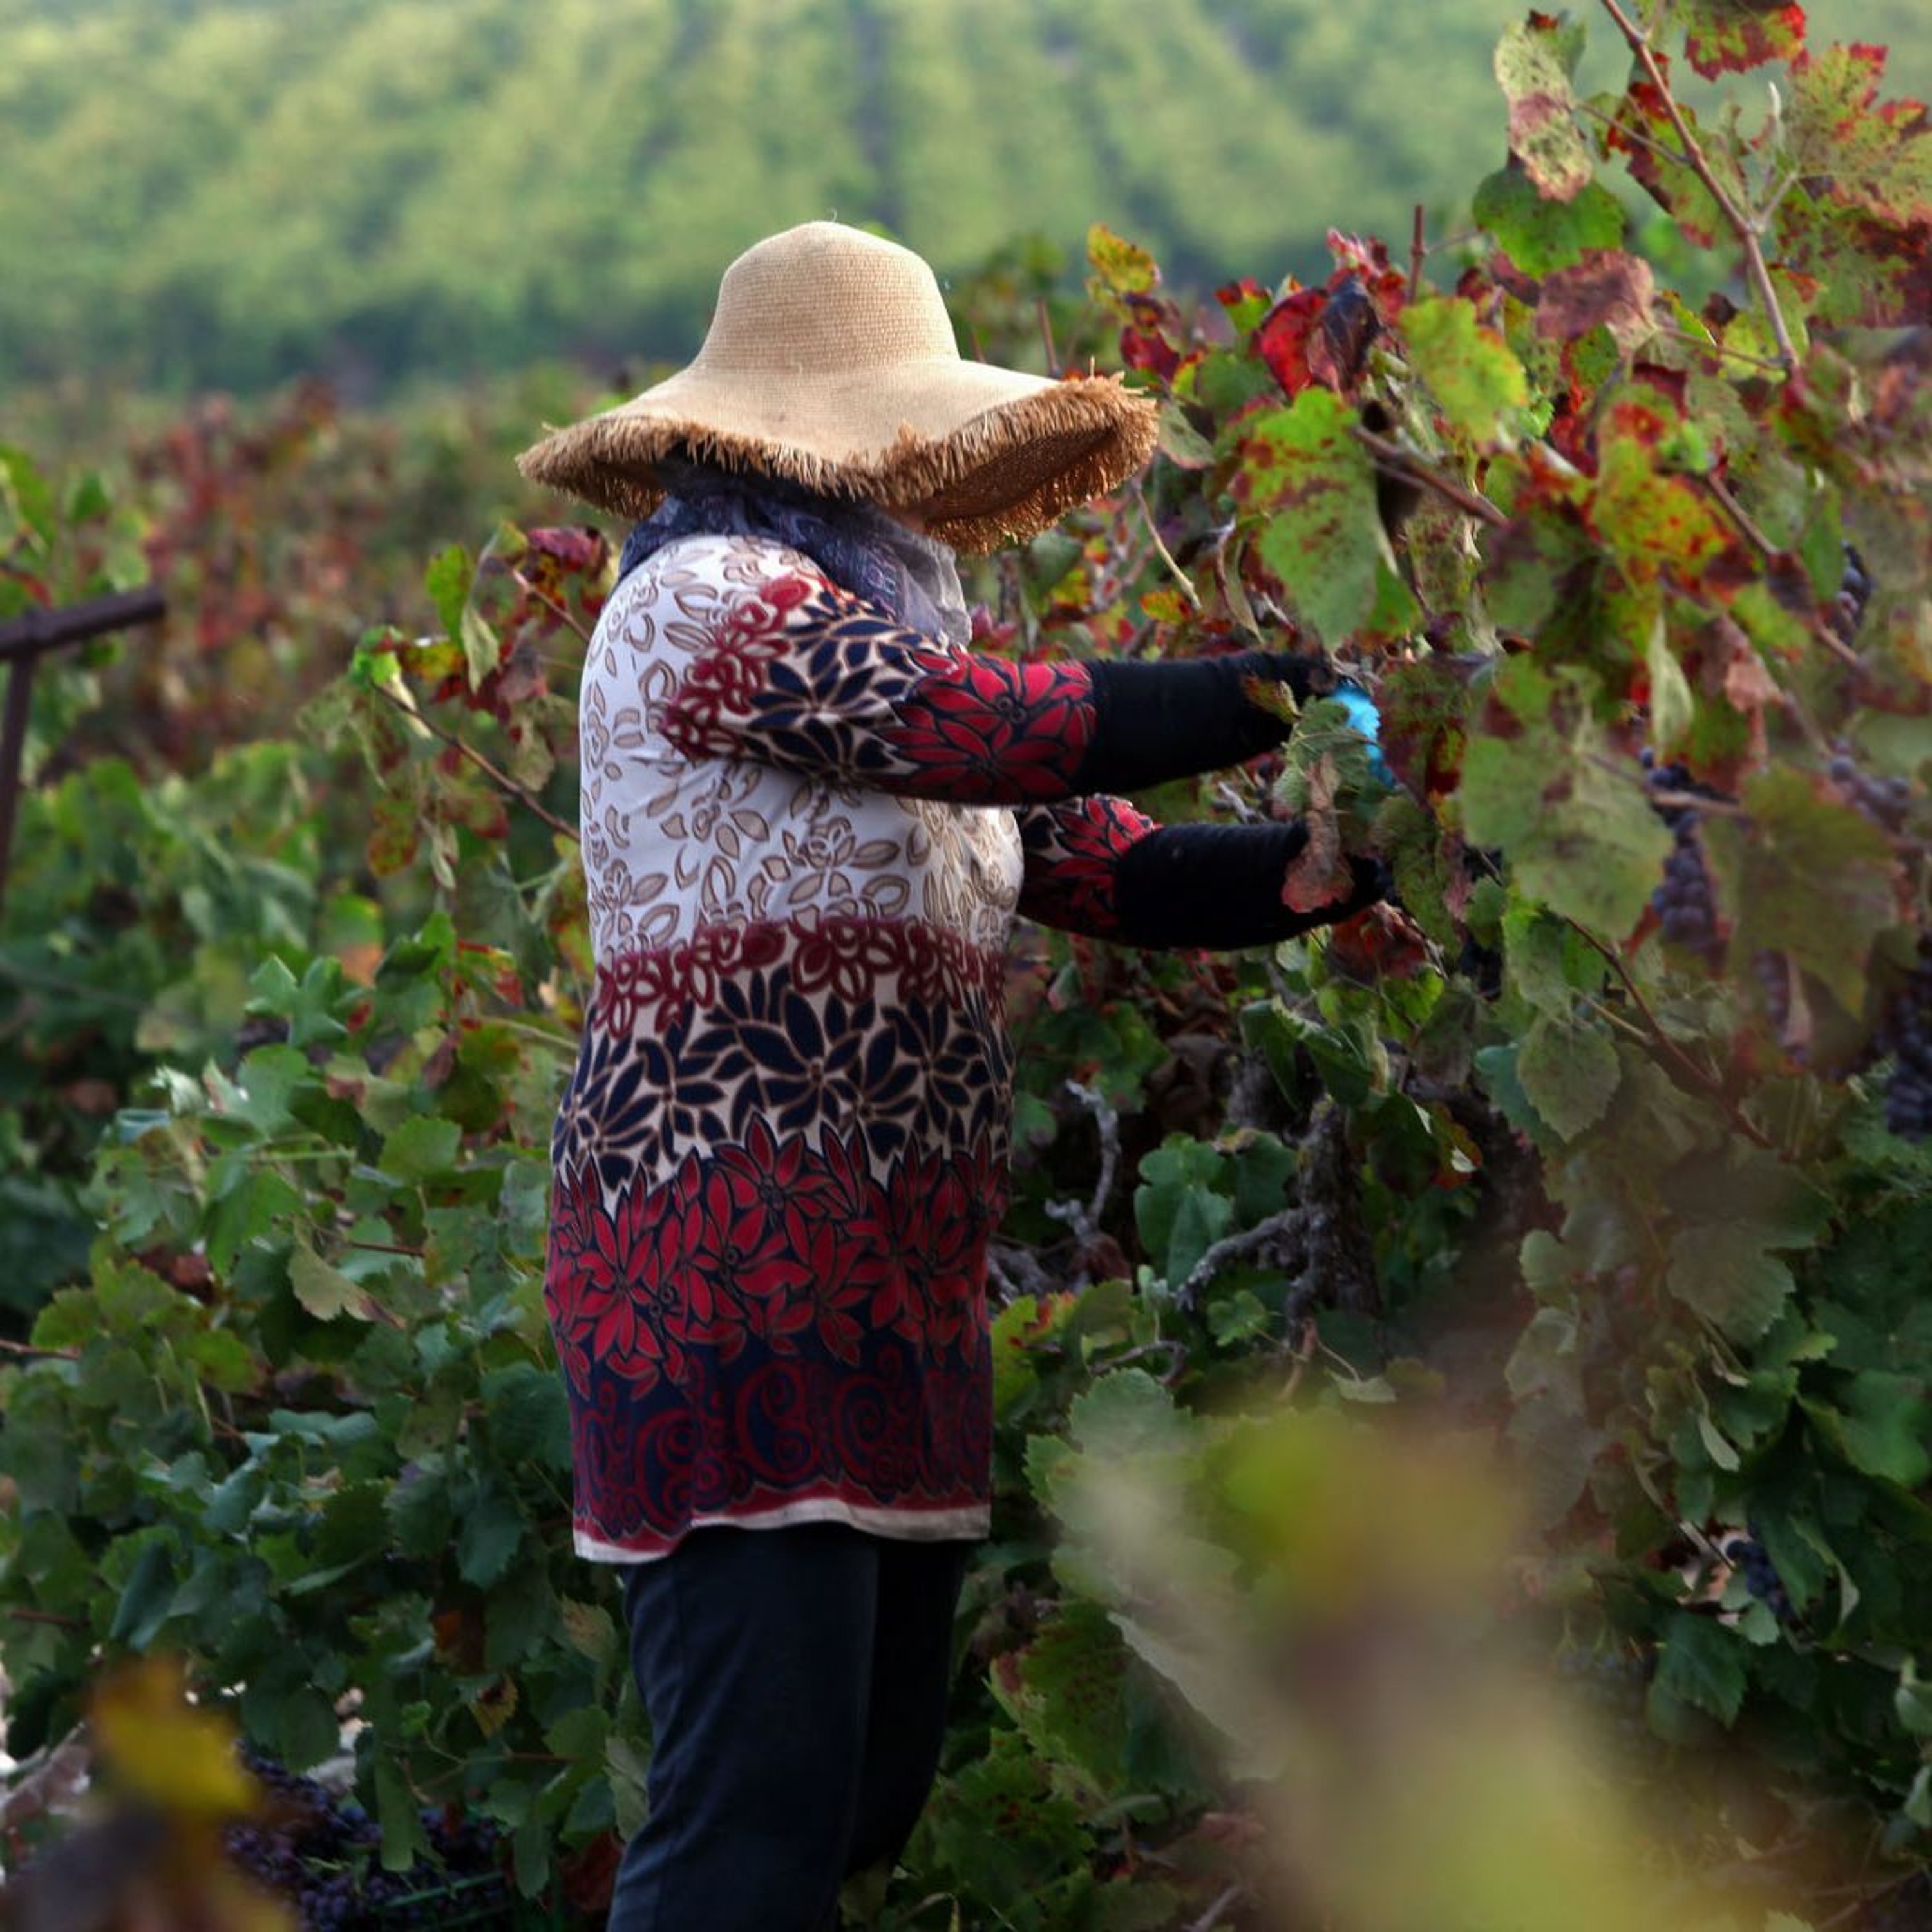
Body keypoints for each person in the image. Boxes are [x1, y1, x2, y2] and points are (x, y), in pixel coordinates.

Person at [518, 220, 1384, 1932]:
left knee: (854, 1800)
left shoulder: (875, 631)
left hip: (886, 1282)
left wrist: (1347, 861)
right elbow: (976, 723)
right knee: (747, 1824)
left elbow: (1111, 866)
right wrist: (1270, 694)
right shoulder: (703, 604)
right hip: (722, 1266)